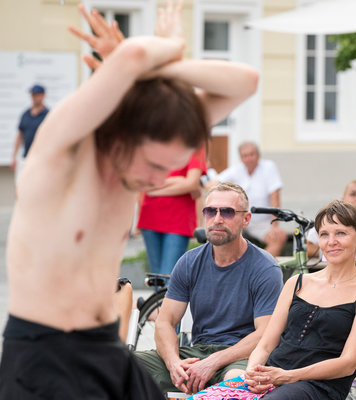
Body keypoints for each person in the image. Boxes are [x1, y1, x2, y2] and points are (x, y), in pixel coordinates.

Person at [0, 1, 259, 398]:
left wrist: (160, 71)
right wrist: (168, 44)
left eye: (170, 168)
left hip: (106, 348)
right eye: (155, 165)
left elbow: (247, 81)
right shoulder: (59, 160)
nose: (157, 181)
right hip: (46, 356)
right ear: (124, 133)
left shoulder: (134, 165)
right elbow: (134, 55)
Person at [223, 200, 356, 399]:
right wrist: (253, 373)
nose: (331, 241)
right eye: (324, 234)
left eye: (341, 233)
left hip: (319, 387)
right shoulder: (296, 282)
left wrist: (288, 376)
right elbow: (265, 345)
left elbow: (348, 363)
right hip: (274, 376)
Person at [135, 182, 283, 395]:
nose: (217, 218)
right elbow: (165, 322)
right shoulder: (189, 262)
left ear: (246, 219)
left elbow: (265, 334)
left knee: (236, 382)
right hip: (197, 354)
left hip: (242, 358)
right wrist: (174, 363)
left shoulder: (264, 267)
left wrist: (213, 362)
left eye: (228, 212)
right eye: (210, 211)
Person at [137, 147, 207, 275]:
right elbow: (144, 182)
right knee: (155, 278)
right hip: (150, 217)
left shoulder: (195, 148)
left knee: (168, 278)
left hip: (178, 220)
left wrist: (155, 191)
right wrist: (179, 180)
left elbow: (191, 184)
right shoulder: (155, 143)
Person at [217, 142, 287, 257]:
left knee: (279, 238)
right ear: (241, 158)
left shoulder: (268, 167)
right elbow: (215, 183)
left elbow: (275, 196)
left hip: (262, 222)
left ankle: (260, 270)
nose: (249, 158)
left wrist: (275, 225)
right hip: (239, 219)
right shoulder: (236, 170)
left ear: (258, 155)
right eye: (245, 156)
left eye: (251, 154)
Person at [11, 84, 49, 178]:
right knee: (21, 184)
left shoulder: (48, 115)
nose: (34, 97)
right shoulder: (26, 114)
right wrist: (14, 156)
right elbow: (20, 136)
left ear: (43, 95)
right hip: (26, 157)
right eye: (33, 95)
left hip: (41, 158)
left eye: (37, 94)